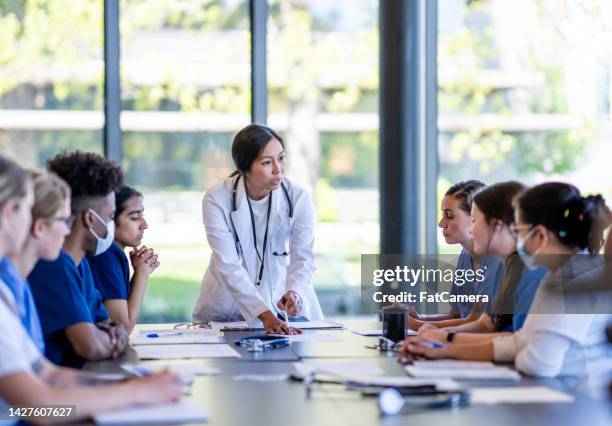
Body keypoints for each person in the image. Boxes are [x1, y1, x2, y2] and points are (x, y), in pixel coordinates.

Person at [0, 155, 182, 424]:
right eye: (30, 210)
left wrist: (134, 386)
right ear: (9, 214)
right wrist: (134, 393)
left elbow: (49, 375)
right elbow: (37, 409)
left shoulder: (10, 292)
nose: (67, 229)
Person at [399, 182, 611, 379]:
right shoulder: (555, 274)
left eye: (519, 231)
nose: (517, 240)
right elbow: (520, 342)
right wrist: (442, 350)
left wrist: (444, 343)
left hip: (579, 403)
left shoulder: (573, 278)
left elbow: (536, 363)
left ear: (540, 235)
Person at [192, 124, 324, 334]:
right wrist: (264, 314)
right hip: (228, 309)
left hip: (282, 307)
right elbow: (228, 264)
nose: (278, 169)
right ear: (245, 167)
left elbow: (304, 258)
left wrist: (296, 292)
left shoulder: (297, 198)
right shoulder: (217, 199)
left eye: (281, 158)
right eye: (266, 162)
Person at [28, 152, 128, 367]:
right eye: (110, 217)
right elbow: (90, 346)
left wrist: (112, 333)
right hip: (42, 399)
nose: (111, 225)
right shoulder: (53, 265)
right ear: (90, 219)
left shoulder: (81, 264)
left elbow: (109, 323)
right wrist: (111, 340)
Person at [417, 181, 547, 336]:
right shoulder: (507, 265)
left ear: (497, 225)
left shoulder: (532, 271)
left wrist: (445, 338)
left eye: (474, 220)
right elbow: (486, 323)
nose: (471, 230)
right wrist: (440, 335)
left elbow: (519, 341)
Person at [408, 180, 504, 329]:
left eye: (449, 215)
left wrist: (415, 325)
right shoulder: (466, 255)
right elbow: (456, 315)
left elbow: (475, 322)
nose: (441, 223)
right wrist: (419, 319)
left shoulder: (498, 259)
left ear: (475, 216)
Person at [89, 185, 159, 333]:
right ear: (109, 218)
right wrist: (142, 273)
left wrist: (140, 270)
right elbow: (122, 328)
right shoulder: (106, 255)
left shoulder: (115, 254)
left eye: (142, 216)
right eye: (135, 217)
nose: (144, 225)